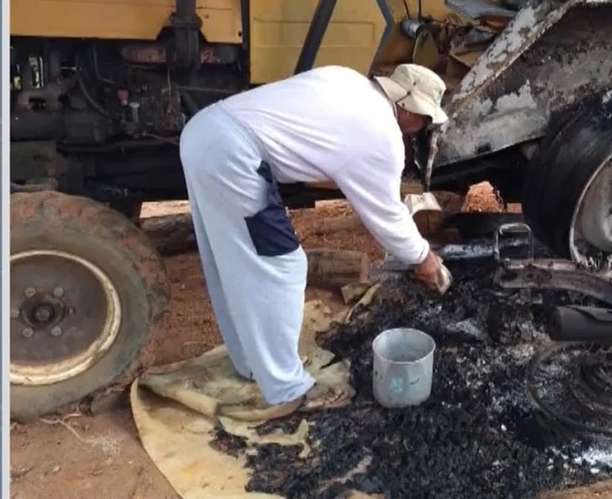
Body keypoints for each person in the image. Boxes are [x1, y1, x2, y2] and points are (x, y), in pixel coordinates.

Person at [178, 63, 450, 411]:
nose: (422, 128)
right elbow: (387, 216)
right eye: (425, 120)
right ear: (408, 107)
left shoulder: (349, 80)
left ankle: (251, 363)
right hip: (233, 154)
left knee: (231, 259)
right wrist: (425, 259)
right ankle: (288, 388)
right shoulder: (380, 134)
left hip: (205, 131)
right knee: (283, 266)